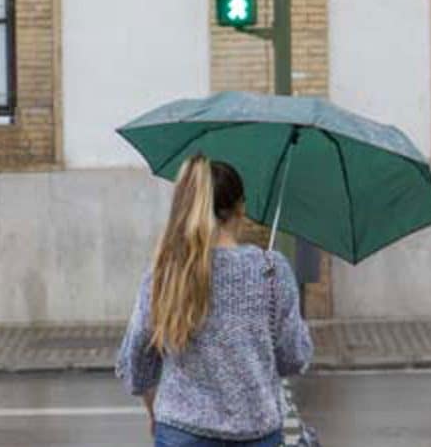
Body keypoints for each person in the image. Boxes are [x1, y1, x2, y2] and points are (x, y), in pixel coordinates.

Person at [116, 155, 313, 446]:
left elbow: (136, 360)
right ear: (240, 208)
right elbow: (293, 358)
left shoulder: (166, 272)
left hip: (180, 432)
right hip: (256, 434)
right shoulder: (272, 270)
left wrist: (155, 410)